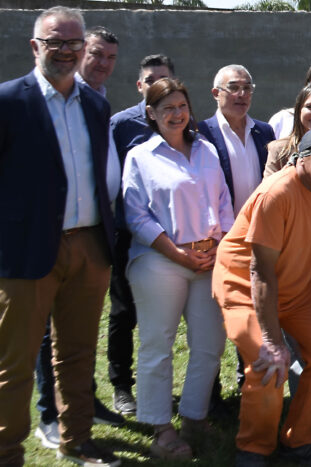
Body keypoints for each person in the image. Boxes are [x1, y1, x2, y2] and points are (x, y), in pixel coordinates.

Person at [0, 6, 119, 467]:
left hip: (88, 246)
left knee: (77, 353)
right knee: (15, 362)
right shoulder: (10, 101)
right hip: (28, 250)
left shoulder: (95, 104)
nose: (67, 52)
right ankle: (8, 452)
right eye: (57, 42)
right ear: (36, 46)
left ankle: (77, 438)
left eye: (75, 43)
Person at [212, 124, 311, 467]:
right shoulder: (276, 193)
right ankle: (253, 448)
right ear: (299, 158)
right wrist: (273, 339)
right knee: (268, 361)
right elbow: (259, 272)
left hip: (295, 286)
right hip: (245, 287)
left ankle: (299, 442)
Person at [121, 78, 234, 460]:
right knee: (158, 344)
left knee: (209, 344)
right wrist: (178, 254)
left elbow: (223, 202)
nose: (176, 114)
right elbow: (136, 216)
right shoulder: (141, 157)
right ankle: (160, 428)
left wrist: (219, 245)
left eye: (181, 106)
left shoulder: (205, 150)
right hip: (159, 261)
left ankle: (193, 416)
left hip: (209, 259)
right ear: (151, 113)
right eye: (166, 108)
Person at [34, 27, 124, 450]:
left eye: (110, 57)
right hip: (51, 232)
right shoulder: (51, 96)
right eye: (96, 54)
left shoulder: (97, 101)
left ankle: (80, 406)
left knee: (78, 331)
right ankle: (49, 413)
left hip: (92, 231)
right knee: (47, 331)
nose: (103, 63)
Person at [107, 53, 175, 417]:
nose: (156, 85)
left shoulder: (182, 120)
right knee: (123, 312)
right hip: (129, 233)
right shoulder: (121, 124)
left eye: (162, 79)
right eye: (150, 80)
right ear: (140, 85)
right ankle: (121, 385)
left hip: (176, 236)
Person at [198, 65, 276, 215]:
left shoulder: (264, 132)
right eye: (233, 88)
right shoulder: (202, 133)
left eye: (247, 88)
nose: (241, 94)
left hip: (261, 227)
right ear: (216, 93)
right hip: (222, 231)